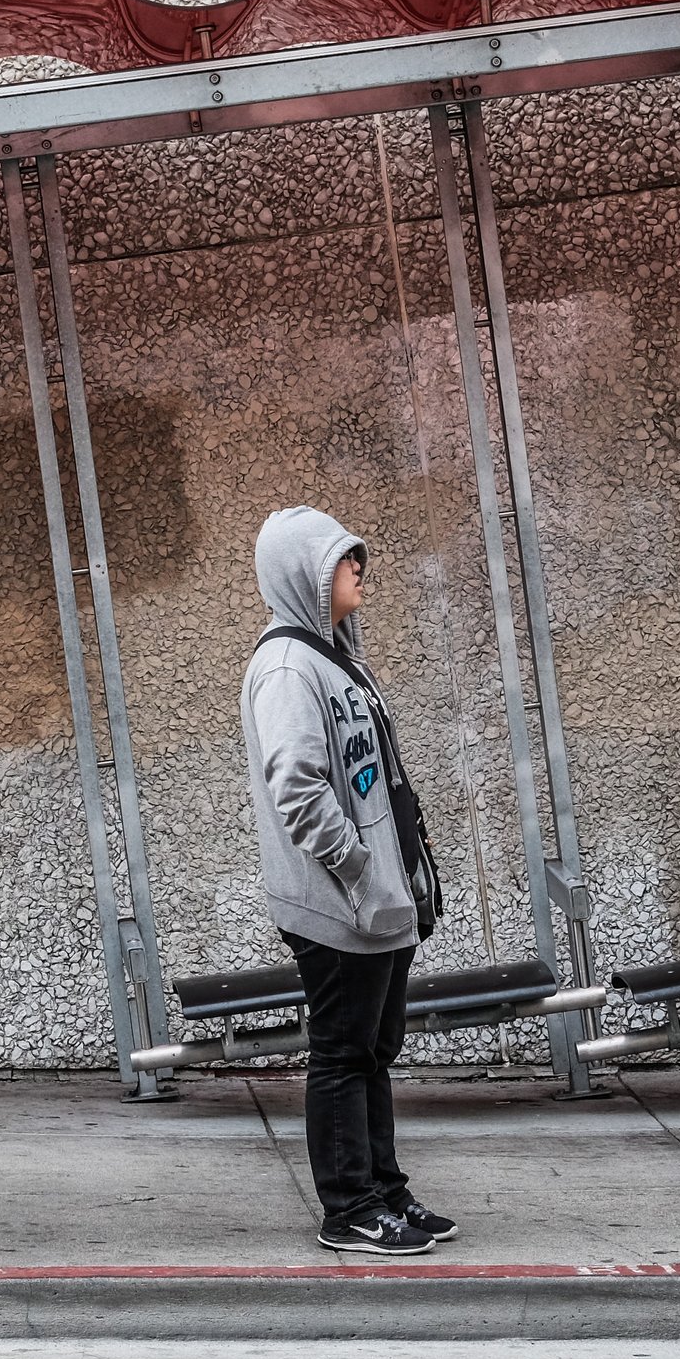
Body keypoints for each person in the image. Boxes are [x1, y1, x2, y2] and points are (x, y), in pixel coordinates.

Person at [242, 507, 454, 1254]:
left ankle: (383, 1191)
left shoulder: (334, 660)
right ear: (303, 573)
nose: (357, 567)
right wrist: (360, 873)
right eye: (340, 558)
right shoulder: (288, 667)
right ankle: (349, 1209)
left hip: (379, 903)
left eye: (355, 555)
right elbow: (297, 788)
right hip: (340, 906)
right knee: (342, 1053)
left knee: (373, 1051)